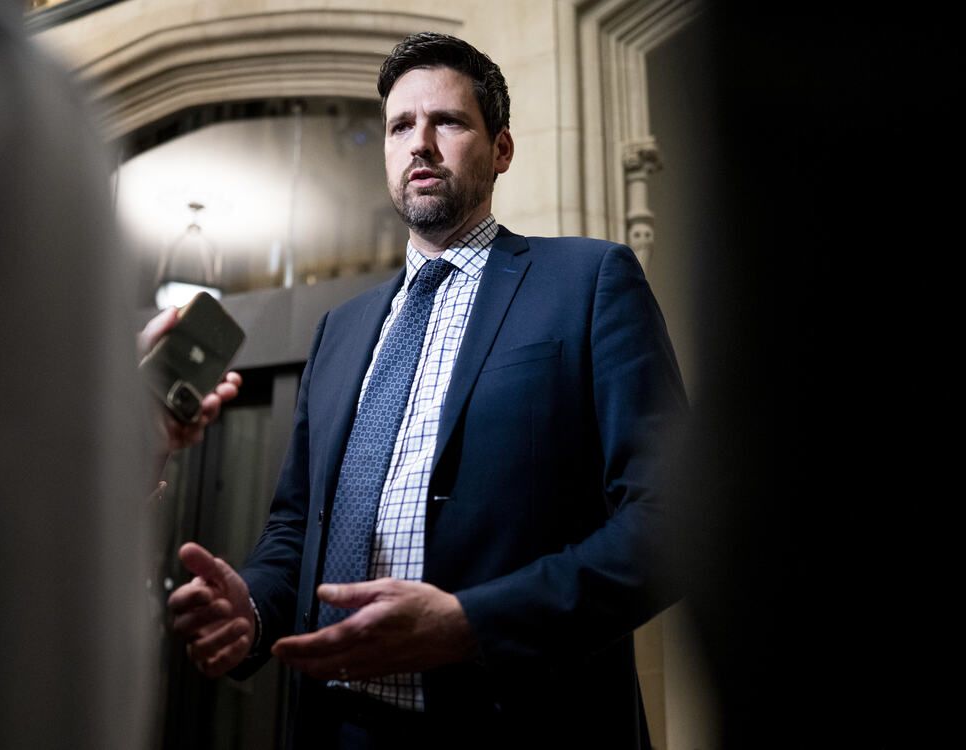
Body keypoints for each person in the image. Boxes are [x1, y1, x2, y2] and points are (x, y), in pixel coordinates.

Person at [167, 31, 686, 748]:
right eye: (401, 126)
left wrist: (473, 624)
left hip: (522, 722)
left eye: (448, 121)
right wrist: (251, 607)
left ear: (500, 149)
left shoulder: (588, 283)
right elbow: (295, 529)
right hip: (335, 728)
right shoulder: (339, 331)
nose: (420, 143)